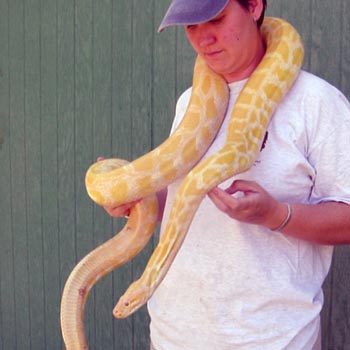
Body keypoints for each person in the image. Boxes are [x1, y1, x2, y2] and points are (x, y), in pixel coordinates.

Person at [104, 0, 350, 349]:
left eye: (216, 19)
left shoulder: (317, 102)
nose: (204, 39)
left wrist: (276, 215)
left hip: (271, 340)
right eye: (191, 27)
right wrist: (140, 198)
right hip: (174, 335)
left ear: (254, 7)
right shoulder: (192, 101)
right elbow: (181, 196)